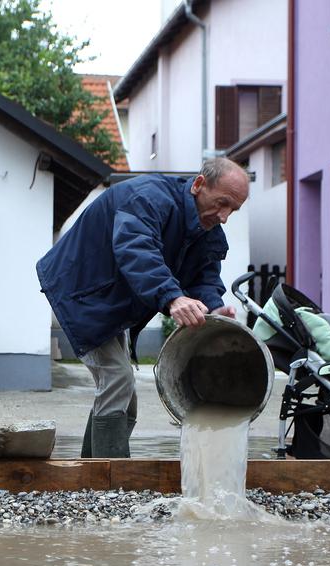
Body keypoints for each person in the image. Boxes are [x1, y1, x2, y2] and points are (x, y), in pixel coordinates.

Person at [36, 157, 250, 458]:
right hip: (81, 289)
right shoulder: (147, 198)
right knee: (117, 379)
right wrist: (173, 297)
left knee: (125, 397)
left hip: (112, 297)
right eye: (222, 203)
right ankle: (109, 474)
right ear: (199, 185)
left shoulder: (208, 229)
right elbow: (136, 249)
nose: (224, 216)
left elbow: (204, 276)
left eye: (233, 209)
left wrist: (214, 308)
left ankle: (93, 471)